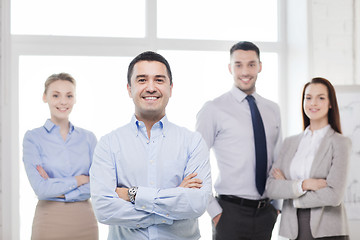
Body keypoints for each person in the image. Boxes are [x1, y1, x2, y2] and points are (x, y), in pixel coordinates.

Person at [90, 51, 212, 240]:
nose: (151, 87)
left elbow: (196, 204)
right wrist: (174, 199)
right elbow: (104, 210)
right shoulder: (108, 144)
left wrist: (132, 194)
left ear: (171, 88)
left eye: (159, 80)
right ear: (129, 89)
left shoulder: (193, 142)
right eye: (142, 80)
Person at [196, 41, 282, 240]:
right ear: (230, 68)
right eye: (238, 65)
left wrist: (276, 206)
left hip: (265, 213)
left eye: (251, 64)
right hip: (229, 213)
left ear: (260, 66)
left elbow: (278, 158)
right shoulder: (214, 109)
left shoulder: (273, 110)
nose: (245, 71)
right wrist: (214, 211)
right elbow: (195, 161)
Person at [266, 77, 351, 240]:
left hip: (328, 231)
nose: (313, 103)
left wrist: (291, 194)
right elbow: (271, 187)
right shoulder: (290, 143)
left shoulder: (340, 143)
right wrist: (305, 184)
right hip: (293, 230)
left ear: (330, 103)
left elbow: (334, 195)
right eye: (308, 97)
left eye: (321, 98)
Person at [22, 73, 98, 240]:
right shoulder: (33, 138)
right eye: (56, 95)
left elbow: (98, 184)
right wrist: (80, 179)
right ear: (45, 97)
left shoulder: (88, 138)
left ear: (75, 99)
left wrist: (55, 187)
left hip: (85, 220)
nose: (63, 102)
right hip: (49, 219)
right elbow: (41, 189)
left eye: (69, 96)